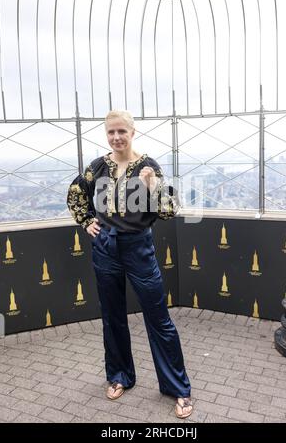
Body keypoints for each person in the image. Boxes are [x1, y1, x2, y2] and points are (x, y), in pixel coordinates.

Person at [67, 110, 192, 419]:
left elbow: (170, 210)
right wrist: (86, 222)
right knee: (112, 317)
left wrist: (151, 187)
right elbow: (75, 193)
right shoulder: (98, 166)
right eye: (111, 132)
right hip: (106, 246)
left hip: (138, 247)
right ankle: (120, 376)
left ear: (133, 132)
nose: (116, 137)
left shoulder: (148, 167)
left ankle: (178, 388)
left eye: (121, 131)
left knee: (159, 319)